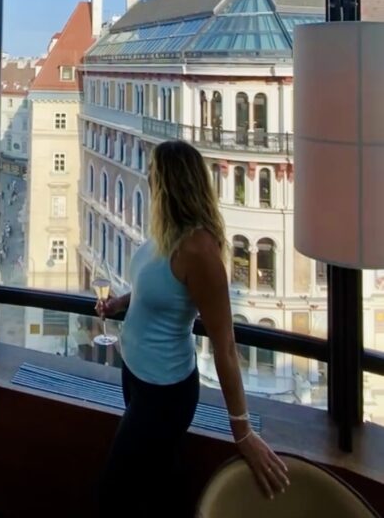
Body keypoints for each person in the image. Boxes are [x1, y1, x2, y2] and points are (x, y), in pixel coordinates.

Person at [96, 140, 289, 511]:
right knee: (154, 484)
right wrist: (121, 302)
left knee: (113, 494)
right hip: (137, 376)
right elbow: (154, 286)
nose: (148, 177)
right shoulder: (166, 233)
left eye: (154, 172)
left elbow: (226, 345)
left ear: (170, 183)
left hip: (164, 393)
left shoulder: (199, 252)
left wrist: (242, 431)